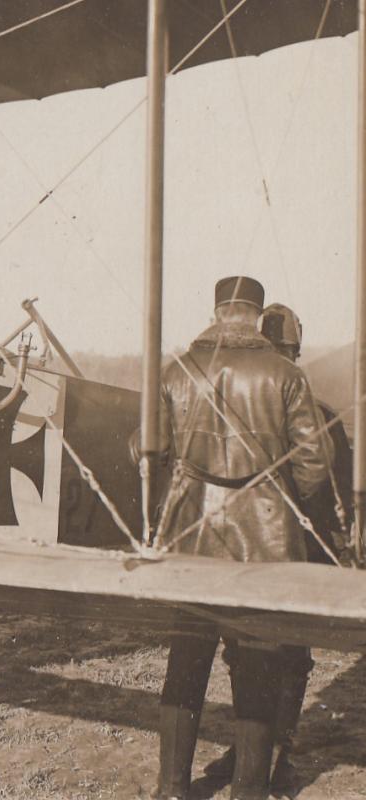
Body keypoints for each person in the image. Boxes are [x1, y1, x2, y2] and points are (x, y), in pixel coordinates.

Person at [152, 277, 331, 800]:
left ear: (215, 311)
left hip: (191, 535)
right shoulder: (286, 374)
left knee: (185, 661)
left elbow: (152, 447)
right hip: (267, 541)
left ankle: (171, 789)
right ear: (256, 316)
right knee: (257, 667)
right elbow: (315, 467)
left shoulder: (176, 372)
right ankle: (249, 792)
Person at [204, 303, 352, 793]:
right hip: (278, 546)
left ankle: (270, 751)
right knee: (267, 655)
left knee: (265, 653)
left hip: (256, 547)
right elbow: (326, 483)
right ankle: (259, 752)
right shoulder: (312, 409)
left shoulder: (233, 399)